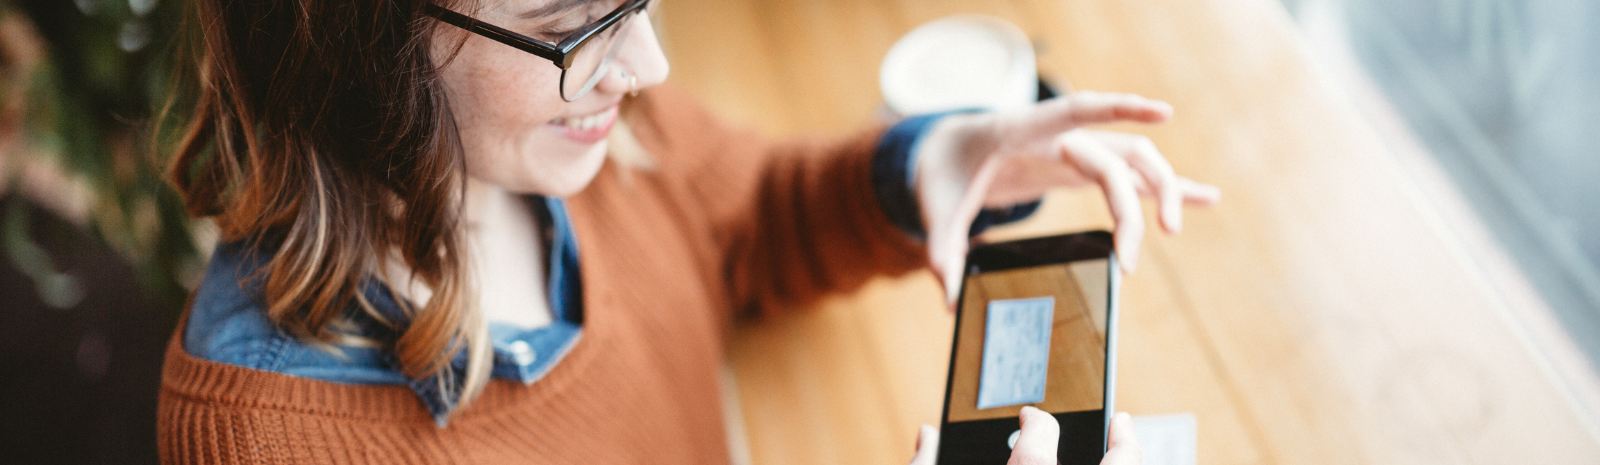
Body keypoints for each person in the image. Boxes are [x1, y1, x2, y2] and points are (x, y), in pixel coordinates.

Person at [156, 0, 1220, 463]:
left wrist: (926, 165)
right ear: (352, 37)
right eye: (574, 26)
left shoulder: (581, 128)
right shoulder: (266, 447)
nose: (650, 67)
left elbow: (740, 217)